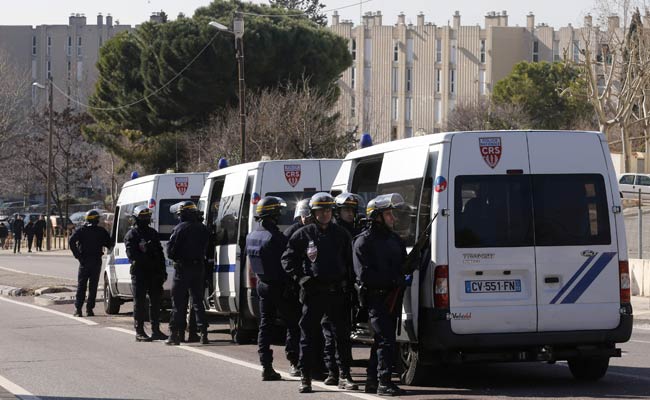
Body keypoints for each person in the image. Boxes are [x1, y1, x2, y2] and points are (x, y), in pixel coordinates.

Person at [282, 192, 357, 394]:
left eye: (328, 210)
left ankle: (344, 375)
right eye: (320, 211)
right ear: (313, 213)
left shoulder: (341, 234)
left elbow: (350, 264)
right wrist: (301, 279)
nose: (325, 214)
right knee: (307, 336)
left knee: (341, 337)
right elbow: (287, 260)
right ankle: (305, 377)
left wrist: (351, 288)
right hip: (313, 293)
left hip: (337, 294)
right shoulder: (303, 234)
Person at [353, 194, 408, 396]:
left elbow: (403, 263)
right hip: (376, 298)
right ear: (376, 216)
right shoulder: (363, 242)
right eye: (388, 214)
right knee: (385, 340)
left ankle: (371, 381)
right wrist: (392, 279)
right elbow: (364, 274)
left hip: (393, 296)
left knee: (382, 340)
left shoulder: (394, 239)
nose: (393, 218)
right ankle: (384, 382)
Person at [246, 196, 301, 381]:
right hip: (279, 286)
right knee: (293, 323)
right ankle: (294, 361)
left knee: (265, 326)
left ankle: (266, 365)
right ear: (274, 214)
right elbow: (286, 263)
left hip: (262, 285)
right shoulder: (275, 237)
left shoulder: (251, 236)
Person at [319, 192, 365, 386]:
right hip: (329, 291)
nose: (350, 214)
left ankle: (344, 371)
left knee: (344, 334)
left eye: (352, 210)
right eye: (346, 210)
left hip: (348, 291)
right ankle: (332, 371)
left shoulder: (356, 232)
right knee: (330, 333)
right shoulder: (332, 233)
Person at [165, 201, 210, 346]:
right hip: (199, 268)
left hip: (182, 269)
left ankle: (175, 335)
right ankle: (203, 333)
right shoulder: (203, 229)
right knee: (198, 301)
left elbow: (170, 252)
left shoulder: (179, 229)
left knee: (178, 302)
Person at [124, 205, 169, 342]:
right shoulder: (132, 235)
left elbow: (160, 253)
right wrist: (147, 256)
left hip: (154, 273)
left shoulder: (153, 233)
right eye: (142, 217)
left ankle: (155, 330)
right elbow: (132, 255)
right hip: (140, 273)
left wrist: (162, 270)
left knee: (155, 302)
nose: (145, 219)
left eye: (147, 216)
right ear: (136, 218)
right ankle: (139, 331)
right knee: (140, 302)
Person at [69, 210, 112, 317]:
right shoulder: (101, 231)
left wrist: (78, 256)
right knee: (93, 286)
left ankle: (78, 310)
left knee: (81, 286)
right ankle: (89, 309)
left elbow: (71, 241)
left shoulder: (82, 230)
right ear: (96, 220)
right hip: (96, 261)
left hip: (84, 261)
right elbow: (109, 243)